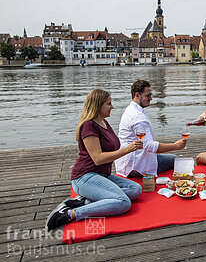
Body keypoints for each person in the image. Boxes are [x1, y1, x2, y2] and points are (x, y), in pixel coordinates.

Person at [46, 89, 143, 231]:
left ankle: (85, 201)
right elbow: (97, 159)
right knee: (123, 203)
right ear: (98, 105)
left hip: (103, 175)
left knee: (136, 189)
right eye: (109, 104)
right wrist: (128, 149)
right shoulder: (89, 126)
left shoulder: (104, 123)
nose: (112, 107)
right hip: (84, 177)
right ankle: (69, 214)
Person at [115, 80, 186, 178]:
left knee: (170, 158)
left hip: (125, 162)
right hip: (135, 166)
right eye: (148, 95)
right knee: (175, 159)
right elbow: (149, 146)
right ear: (137, 95)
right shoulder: (137, 117)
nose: (151, 98)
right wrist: (176, 146)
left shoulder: (130, 110)